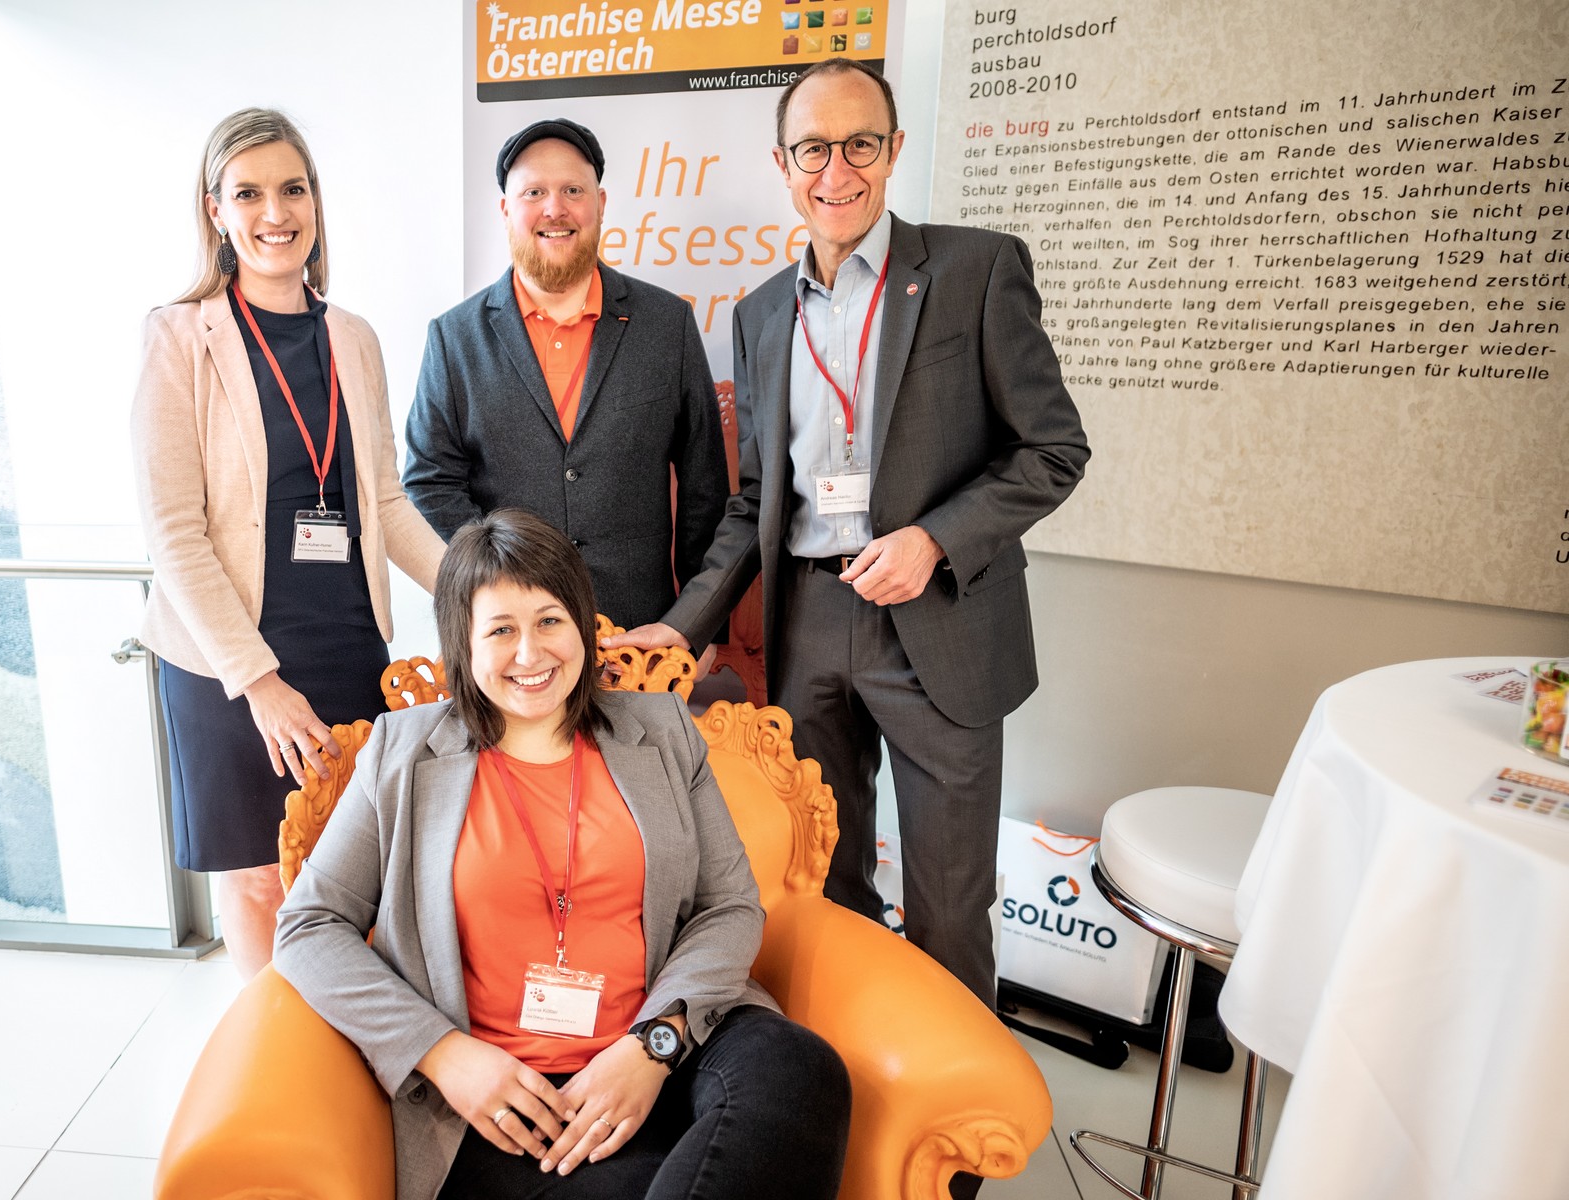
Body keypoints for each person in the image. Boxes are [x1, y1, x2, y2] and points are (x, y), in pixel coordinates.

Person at [622, 58, 1089, 1030]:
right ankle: (850, 1077)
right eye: (813, 150)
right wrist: (686, 625)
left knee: (949, 905)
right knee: (826, 887)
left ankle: (956, 1115)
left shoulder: (975, 271)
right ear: (783, 164)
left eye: (860, 145)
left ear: (894, 149)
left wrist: (935, 540)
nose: (837, 171)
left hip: (939, 617)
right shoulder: (759, 314)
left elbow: (1053, 450)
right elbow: (755, 502)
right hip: (808, 621)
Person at [275, 509, 850, 1200]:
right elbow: (308, 925)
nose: (530, 653)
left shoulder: (664, 732)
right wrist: (443, 1054)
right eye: (501, 630)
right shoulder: (401, 754)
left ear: (581, 623)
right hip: (511, 1102)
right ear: (462, 640)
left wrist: (651, 1047)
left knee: (802, 1071)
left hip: (670, 1045)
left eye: (550, 620)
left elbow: (728, 906)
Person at [131, 108, 445, 979]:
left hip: (346, 643)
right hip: (228, 664)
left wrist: (479, 590)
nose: (275, 213)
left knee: (350, 876)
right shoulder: (178, 336)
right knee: (260, 882)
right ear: (215, 211)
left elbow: (385, 503)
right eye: (248, 194)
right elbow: (173, 532)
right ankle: (272, 1050)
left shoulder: (354, 337)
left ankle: (340, 1040)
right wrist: (260, 685)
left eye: (293, 189)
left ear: (315, 201)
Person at [403, 118, 730, 632]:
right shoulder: (454, 338)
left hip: (640, 639)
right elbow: (429, 481)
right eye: (534, 192)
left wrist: (697, 625)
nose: (554, 208)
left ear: (600, 203)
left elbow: (704, 489)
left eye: (572, 190)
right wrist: (497, 579)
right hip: (509, 639)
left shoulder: (668, 325)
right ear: (506, 210)